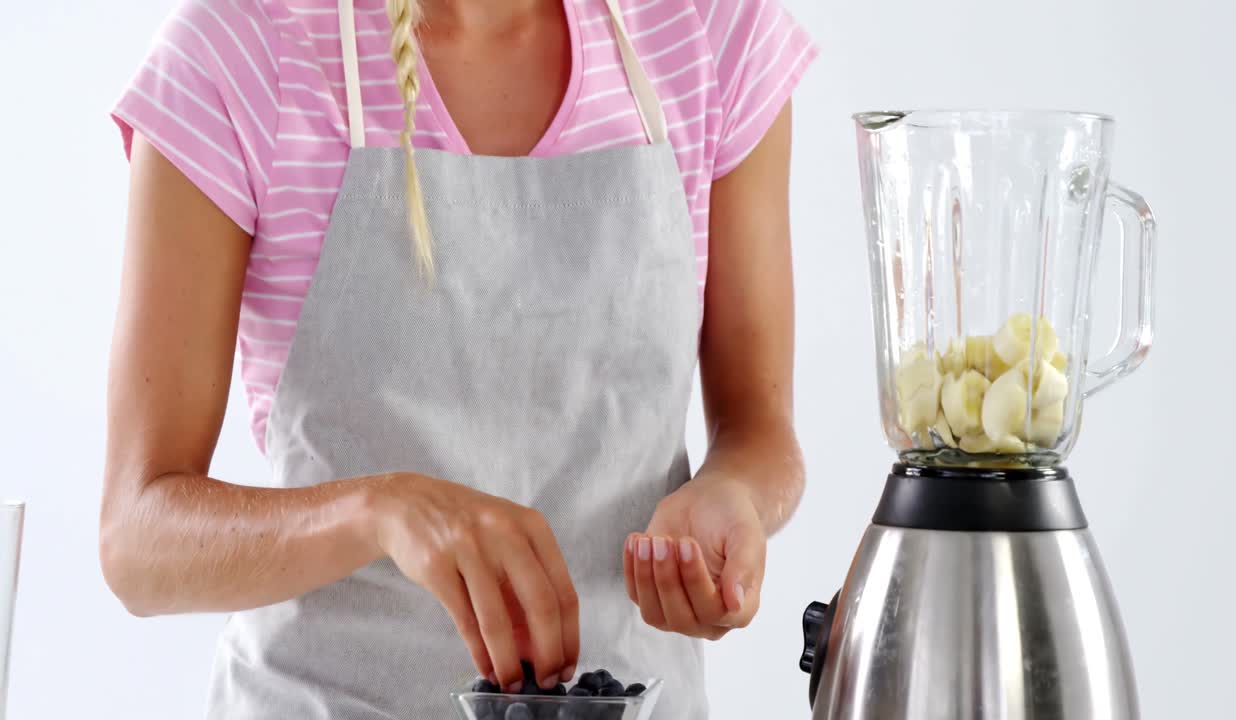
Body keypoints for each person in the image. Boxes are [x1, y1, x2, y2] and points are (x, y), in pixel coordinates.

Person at [100, 0, 816, 717]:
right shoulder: (241, 49)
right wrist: (376, 511)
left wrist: (734, 496)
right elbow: (139, 540)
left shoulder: (709, 30)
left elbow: (760, 428)